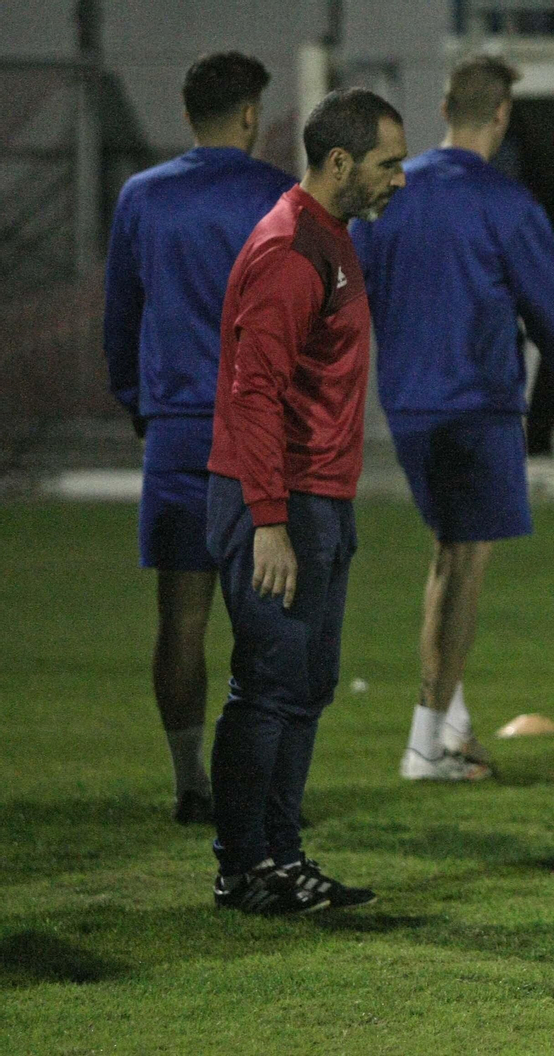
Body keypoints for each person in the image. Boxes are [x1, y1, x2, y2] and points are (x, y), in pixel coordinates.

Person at [352, 56, 554, 781]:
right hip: (478, 402)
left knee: (447, 557)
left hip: (407, 402)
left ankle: (449, 724)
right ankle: (426, 743)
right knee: (465, 566)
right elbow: (551, 308)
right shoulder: (505, 202)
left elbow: (355, 281)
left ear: (442, 108)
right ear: (502, 116)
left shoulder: (392, 192)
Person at [207, 88, 407, 914]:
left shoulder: (331, 237)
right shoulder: (294, 249)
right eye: (388, 163)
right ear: (339, 164)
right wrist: (270, 521)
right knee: (268, 688)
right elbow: (256, 392)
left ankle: (281, 860)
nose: (400, 177)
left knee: (306, 683)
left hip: (317, 499)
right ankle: (243, 868)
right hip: (279, 504)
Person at [104, 52, 296, 824]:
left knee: (181, 618)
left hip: (179, 436)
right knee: (271, 624)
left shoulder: (142, 198)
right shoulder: (279, 198)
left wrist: (140, 403)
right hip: (261, 439)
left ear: (189, 114)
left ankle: (191, 784)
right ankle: (263, 793)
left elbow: (122, 319)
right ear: (251, 114)